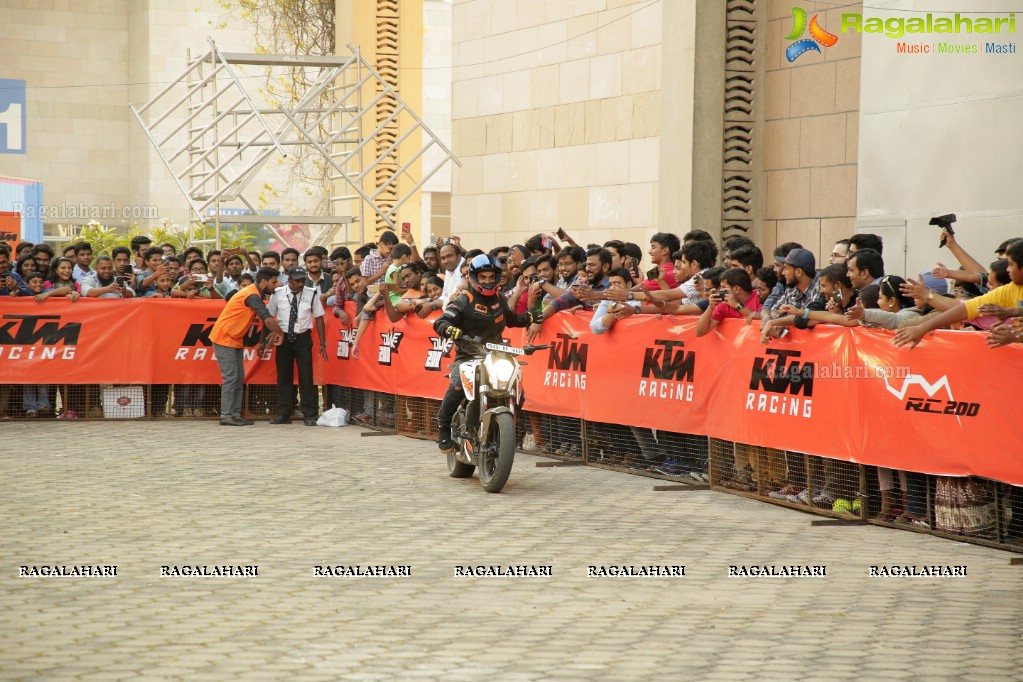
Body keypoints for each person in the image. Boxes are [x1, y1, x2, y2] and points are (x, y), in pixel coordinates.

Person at [432, 254, 538, 453]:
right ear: (474, 278)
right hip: (467, 356)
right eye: (483, 278)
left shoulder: (499, 299)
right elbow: (441, 321)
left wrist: (530, 316)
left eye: (491, 277)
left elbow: (512, 319)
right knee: (456, 387)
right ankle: (443, 428)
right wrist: (449, 329)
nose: (488, 282)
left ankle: (507, 430)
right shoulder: (464, 300)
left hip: (496, 356)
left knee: (518, 391)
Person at [209, 267, 285, 426]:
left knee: (237, 378)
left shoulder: (253, 293)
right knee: (231, 378)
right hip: (225, 338)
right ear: (263, 281)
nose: (276, 284)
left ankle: (234, 414)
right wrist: (281, 334)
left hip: (233, 338)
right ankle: (227, 415)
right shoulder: (251, 295)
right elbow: (268, 320)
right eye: (273, 281)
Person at [263, 266, 328, 426]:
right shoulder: (278, 294)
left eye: (302, 280)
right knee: (284, 377)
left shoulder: (311, 293)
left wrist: (323, 342)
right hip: (283, 337)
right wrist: (264, 340)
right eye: (297, 280)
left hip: (303, 338)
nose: (300, 283)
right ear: (289, 279)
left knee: (306, 377)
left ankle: (310, 415)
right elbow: (268, 316)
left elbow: (319, 317)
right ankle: (284, 414)